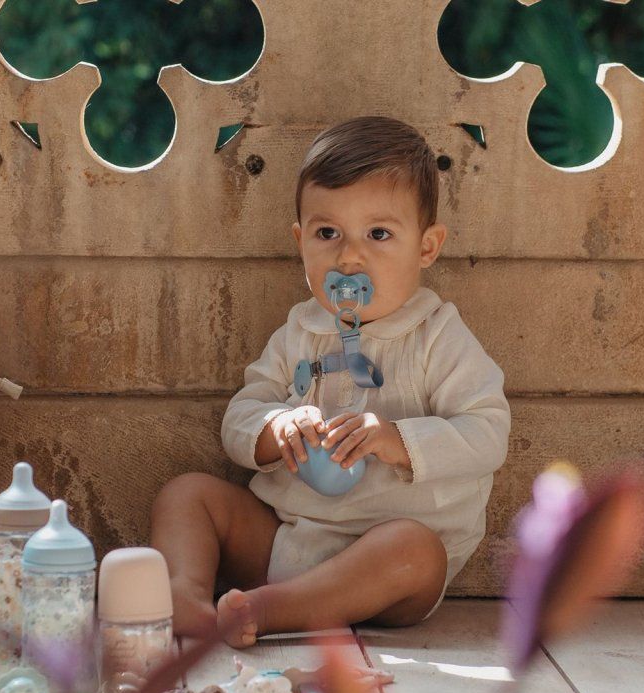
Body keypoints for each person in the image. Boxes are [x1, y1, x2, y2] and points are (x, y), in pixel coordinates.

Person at [151, 116, 511, 648]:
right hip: (287, 537)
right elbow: (241, 415)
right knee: (188, 495)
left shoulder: (437, 335)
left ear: (427, 247)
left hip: (385, 566)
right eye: (327, 234)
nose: (349, 256)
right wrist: (277, 427)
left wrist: (397, 439)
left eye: (378, 234)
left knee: (415, 552)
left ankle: (270, 611)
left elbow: (488, 432)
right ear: (301, 242)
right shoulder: (300, 332)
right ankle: (185, 593)